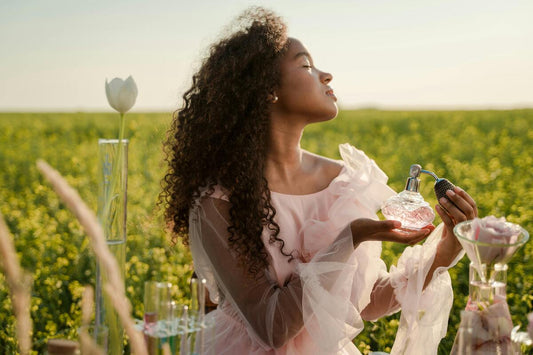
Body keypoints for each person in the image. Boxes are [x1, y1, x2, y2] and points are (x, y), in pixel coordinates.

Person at [161, 7, 477, 355]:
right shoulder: (218, 200)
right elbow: (272, 328)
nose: (326, 75)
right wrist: (351, 237)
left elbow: (368, 303)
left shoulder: (343, 182)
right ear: (267, 90)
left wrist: (446, 248)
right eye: (307, 65)